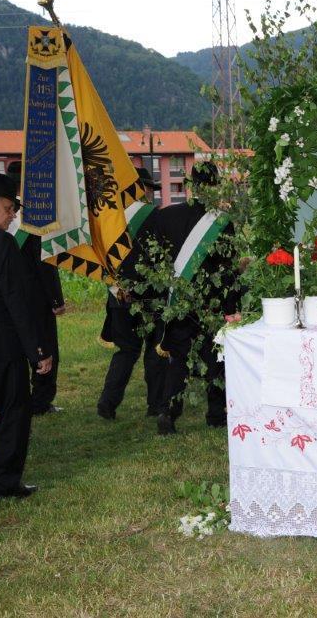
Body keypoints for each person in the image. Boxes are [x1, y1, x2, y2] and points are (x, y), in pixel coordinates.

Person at [143, 162, 239, 435]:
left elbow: (155, 260)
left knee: (178, 360)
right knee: (215, 359)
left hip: (179, 302)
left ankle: (168, 411)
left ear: (191, 186)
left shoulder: (166, 216)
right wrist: (231, 307)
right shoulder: (222, 223)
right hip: (211, 303)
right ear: (215, 186)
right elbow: (228, 270)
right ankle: (216, 414)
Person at [0, 173, 53, 499]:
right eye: (9, 208)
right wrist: (37, 350)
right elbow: (17, 301)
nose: (12, 216)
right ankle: (2, 481)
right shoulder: (1, 244)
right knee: (13, 413)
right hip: (2, 347)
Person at [96, 167, 166, 420]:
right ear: (142, 189)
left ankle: (107, 404)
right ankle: (156, 405)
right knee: (154, 351)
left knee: (125, 352)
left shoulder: (108, 219)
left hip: (119, 296)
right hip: (150, 298)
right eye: (149, 189)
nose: (150, 194)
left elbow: (100, 260)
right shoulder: (155, 216)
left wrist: (116, 288)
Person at [6, 161, 65, 416]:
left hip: (6, 296)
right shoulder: (32, 215)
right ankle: (41, 401)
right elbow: (45, 263)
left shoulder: (0, 216)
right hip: (35, 297)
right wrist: (56, 299)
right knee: (45, 346)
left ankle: (15, 399)